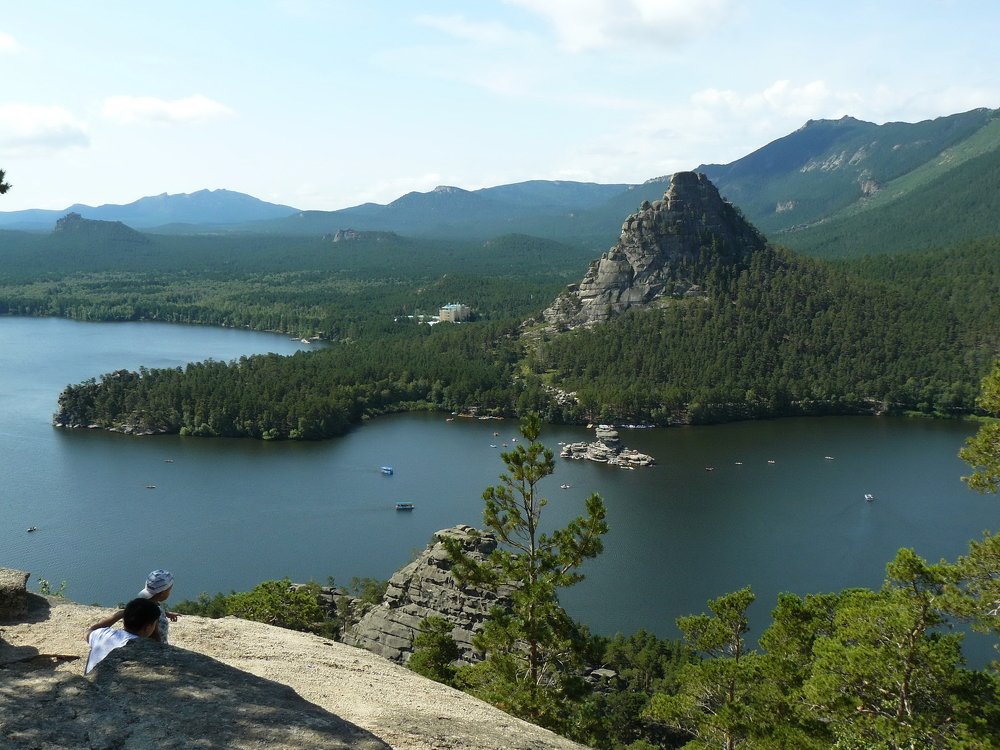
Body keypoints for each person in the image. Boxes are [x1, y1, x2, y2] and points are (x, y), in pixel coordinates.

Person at [85, 568, 179, 645]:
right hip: (155, 649)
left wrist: (167, 614)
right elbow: (155, 636)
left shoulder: (140, 606)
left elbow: (90, 631)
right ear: (163, 593)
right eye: (169, 590)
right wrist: (162, 648)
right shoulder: (152, 615)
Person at [84, 597, 161, 674]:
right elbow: (160, 650)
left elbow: (88, 632)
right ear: (148, 627)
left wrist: (116, 616)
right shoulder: (144, 650)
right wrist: (156, 631)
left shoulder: (104, 634)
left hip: (91, 682)